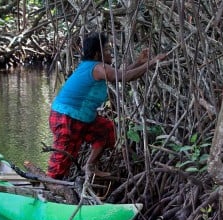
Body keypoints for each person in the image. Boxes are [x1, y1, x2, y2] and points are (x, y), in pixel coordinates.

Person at [46, 32, 167, 180]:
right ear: (98, 54)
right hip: (67, 117)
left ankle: (89, 166)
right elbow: (124, 77)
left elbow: (120, 73)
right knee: (62, 156)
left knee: (105, 130)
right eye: (107, 50)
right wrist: (152, 62)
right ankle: (48, 185)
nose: (111, 54)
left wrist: (139, 63)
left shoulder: (94, 66)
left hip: (79, 116)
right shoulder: (98, 67)